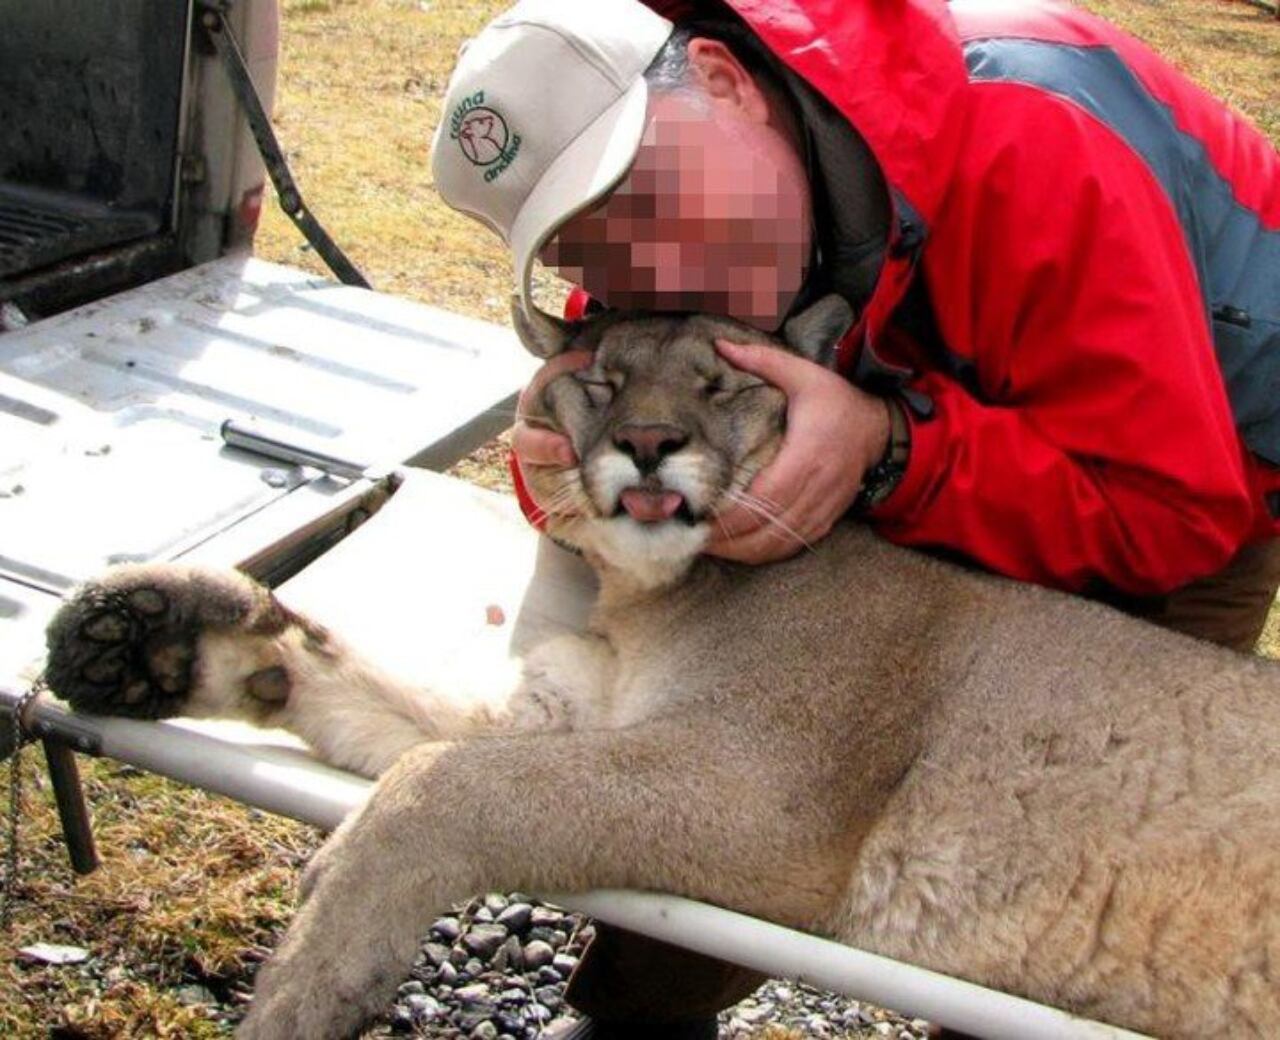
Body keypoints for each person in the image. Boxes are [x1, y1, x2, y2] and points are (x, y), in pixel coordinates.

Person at [431, 0, 1280, 1035]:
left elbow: (1171, 513)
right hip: (939, 419)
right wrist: (554, 465)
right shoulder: (701, 213)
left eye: (645, 200)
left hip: (1197, 475)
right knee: (737, 724)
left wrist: (886, 451)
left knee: (1058, 868)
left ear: (725, 79)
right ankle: (637, 1016)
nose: (650, 273)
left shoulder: (1037, 138)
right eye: (589, 254)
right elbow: (608, 455)